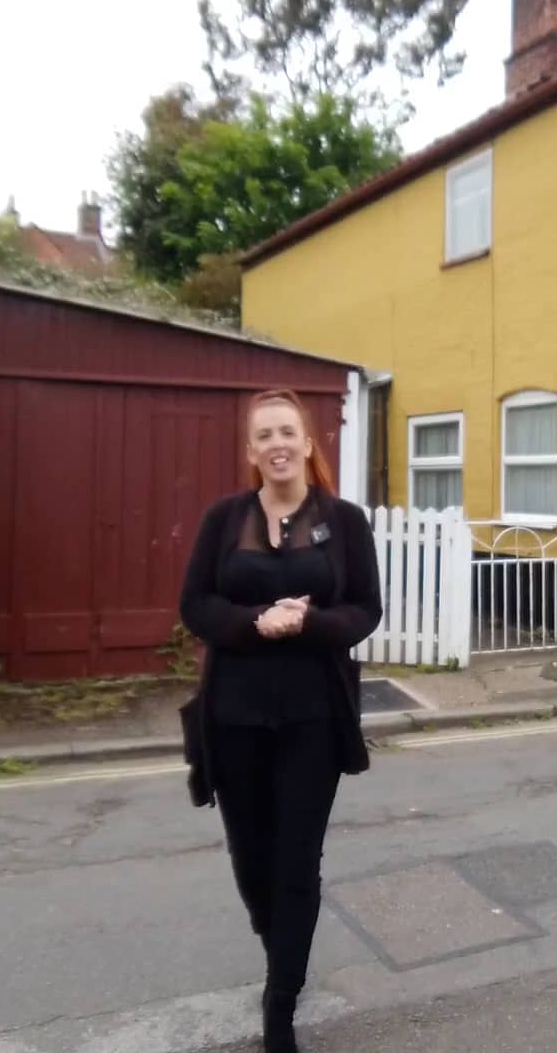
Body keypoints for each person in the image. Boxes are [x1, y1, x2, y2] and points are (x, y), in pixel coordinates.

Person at [178, 388, 382, 1053]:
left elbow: (365, 610)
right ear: (251, 451)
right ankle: (280, 945)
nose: (277, 444)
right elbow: (196, 604)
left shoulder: (344, 521)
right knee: (251, 860)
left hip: (312, 718)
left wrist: (309, 622)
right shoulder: (224, 518)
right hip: (232, 714)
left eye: (287, 431)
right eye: (264, 435)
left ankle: (281, 998)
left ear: (307, 442)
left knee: (297, 860)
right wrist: (252, 622)